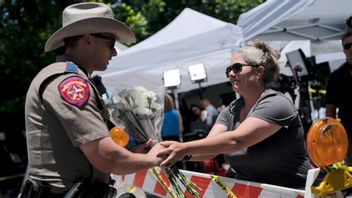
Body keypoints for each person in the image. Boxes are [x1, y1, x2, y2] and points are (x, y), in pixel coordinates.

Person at [21, 3, 165, 197]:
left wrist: (134, 154)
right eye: (110, 43)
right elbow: (106, 157)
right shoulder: (70, 84)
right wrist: (154, 158)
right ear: (88, 41)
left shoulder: (66, 77)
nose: (114, 52)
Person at [158, 41, 311, 189]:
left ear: (259, 71)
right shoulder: (231, 110)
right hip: (249, 191)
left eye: (237, 68)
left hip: (290, 191)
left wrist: (183, 148)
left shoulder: (276, 103)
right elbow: (211, 147)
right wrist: (172, 153)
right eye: (228, 70)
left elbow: (238, 140)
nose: (230, 74)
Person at [325, 31, 352, 165]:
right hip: (348, 134)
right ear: (343, 50)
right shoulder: (336, 76)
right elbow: (330, 107)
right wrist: (331, 134)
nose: (351, 48)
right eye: (347, 46)